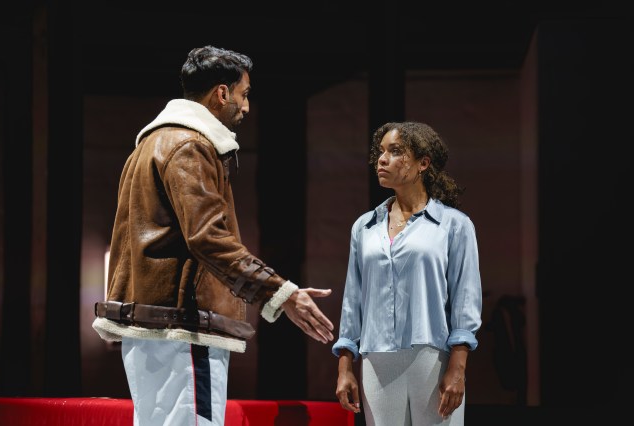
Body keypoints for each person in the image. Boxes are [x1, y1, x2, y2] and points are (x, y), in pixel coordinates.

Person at [92, 45, 335, 426]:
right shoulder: (190, 145)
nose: (247, 107)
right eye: (244, 94)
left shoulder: (152, 144)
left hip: (157, 328)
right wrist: (280, 292)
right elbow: (208, 238)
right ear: (222, 93)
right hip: (183, 326)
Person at [332, 121, 482, 425]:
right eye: (381, 152)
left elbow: (466, 299)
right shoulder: (364, 227)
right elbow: (353, 300)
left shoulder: (454, 225)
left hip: (433, 357)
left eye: (395, 151)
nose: (382, 159)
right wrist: (345, 366)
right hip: (376, 360)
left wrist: (458, 367)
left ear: (422, 163)